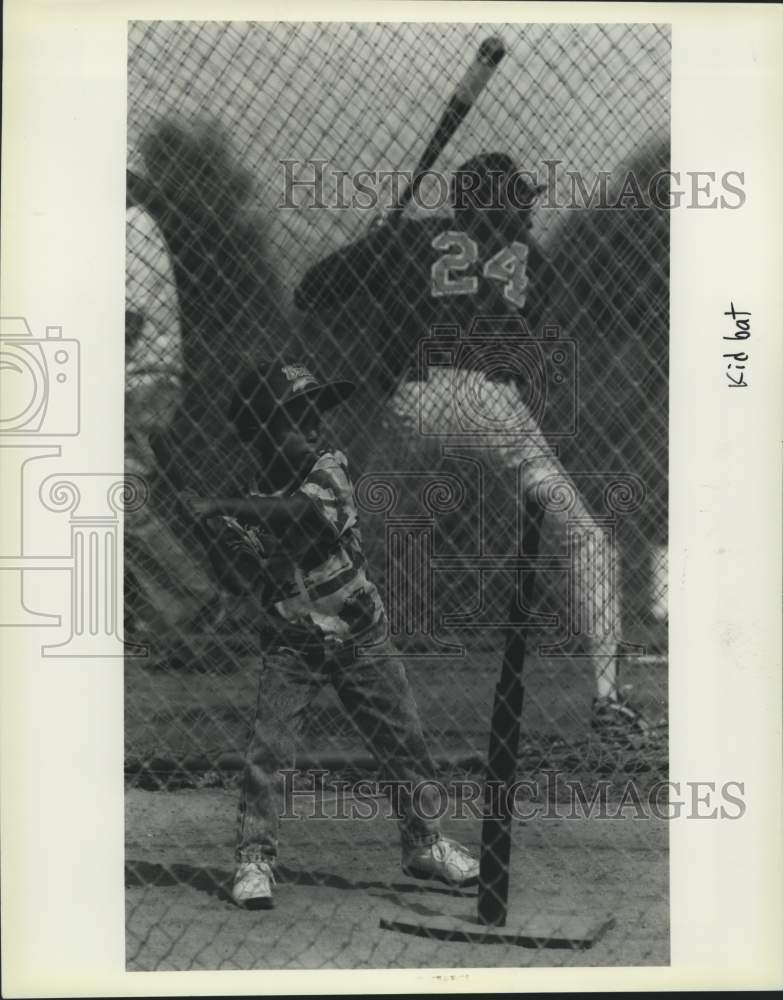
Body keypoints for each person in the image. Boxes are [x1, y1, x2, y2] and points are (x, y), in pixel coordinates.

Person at [294, 152, 647, 740]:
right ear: (495, 201)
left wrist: (373, 244)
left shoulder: (408, 238)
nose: (528, 210)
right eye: (518, 199)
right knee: (586, 539)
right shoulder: (535, 259)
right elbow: (526, 347)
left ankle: (303, 685)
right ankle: (608, 697)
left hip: (416, 402)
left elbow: (312, 292)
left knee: (358, 547)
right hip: (492, 404)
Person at [183, 361, 480, 909]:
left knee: (402, 742)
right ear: (260, 431)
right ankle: (254, 858)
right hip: (292, 644)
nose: (315, 424)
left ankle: (424, 843)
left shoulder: (330, 468)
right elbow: (235, 579)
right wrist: (214, 535)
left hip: (361, 635)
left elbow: (302, 519)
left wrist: (221, 508)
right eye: (296, 416)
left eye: (317, 412)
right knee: (267, 753)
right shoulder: (246, 498)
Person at [124, 199, 219, 640]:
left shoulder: (131, 225)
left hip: (139, 379)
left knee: (119, 499)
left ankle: (191, 601)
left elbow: (125, 320)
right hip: (129, 377)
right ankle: (176, 608)